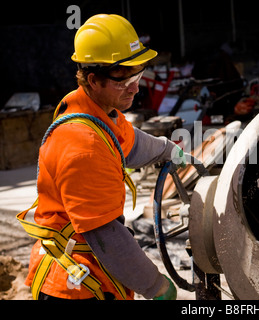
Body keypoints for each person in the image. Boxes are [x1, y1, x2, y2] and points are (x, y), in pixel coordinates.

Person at [19, 14, 185, 300]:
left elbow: (130, 144)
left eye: (138, 75)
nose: (135, 87)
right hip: (75, 283)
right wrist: (155, 286)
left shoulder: (97, 111)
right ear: (93, 79)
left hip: (92, 270)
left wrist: (170, 150)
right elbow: (106, 235)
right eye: (124, 80)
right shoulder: (84, 144)